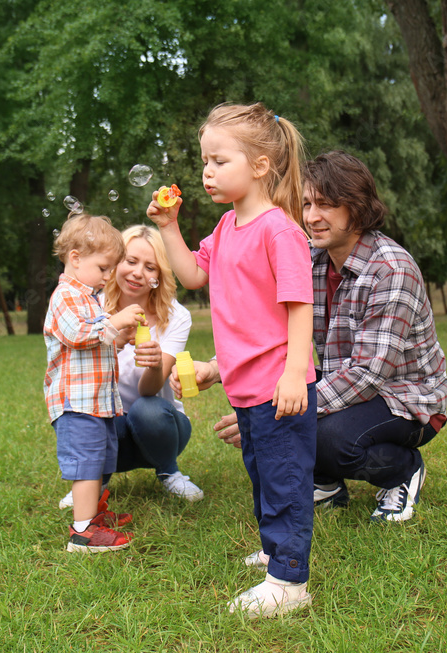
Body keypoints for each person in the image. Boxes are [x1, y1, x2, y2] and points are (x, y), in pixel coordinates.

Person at [192, 151, 447, 524]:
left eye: (326, 205)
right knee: (294, 422)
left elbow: (367, 374)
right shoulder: (311, 258)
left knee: (325, 437)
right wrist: (217, 368)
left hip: (405, 400)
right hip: (345, 385)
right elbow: (269, 329)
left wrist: (276, 408)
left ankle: (403, 470)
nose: (311, 217)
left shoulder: (391, 270)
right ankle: (326, 483)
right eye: (308, 203)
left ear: (357, 208)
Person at [147, 102, 317, 619]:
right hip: (246, 388)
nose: (207, 171)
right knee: (264, 473)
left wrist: (294, 373)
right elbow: (195, 276)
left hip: (278, 385)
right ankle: (274, 548)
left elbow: (300, 305)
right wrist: (169, 227)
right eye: (204, 161)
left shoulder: (278, 230)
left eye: (220, 160)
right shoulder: (226, 227)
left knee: (285, 480)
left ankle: (289, 583)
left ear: (261, 166)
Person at [57, 224, 203, 508]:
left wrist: (154, 363)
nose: (138, 273)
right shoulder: (91, 308)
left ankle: (169, 470)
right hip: (109, 427)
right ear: (114, 263)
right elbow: (78, 374)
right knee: (88, 415)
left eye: (150, 267)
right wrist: (116, 342)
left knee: (146, 407)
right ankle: (95, 480)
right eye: (131, 261)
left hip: (162, 428)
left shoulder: (176, 317)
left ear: (159, 276)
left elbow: (149, 389)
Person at [43, 213, 144, 554]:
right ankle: (83, 533)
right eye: (103, 268)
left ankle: (95, 517)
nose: (107, 277)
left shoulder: (89, 298)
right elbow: (77, 334)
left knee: (101, 460)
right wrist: (114, 321)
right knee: (86, 465)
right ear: (75, 258)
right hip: (77, 402)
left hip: (97, 402)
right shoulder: (65, 295)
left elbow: (96, 342)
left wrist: (118, 337)